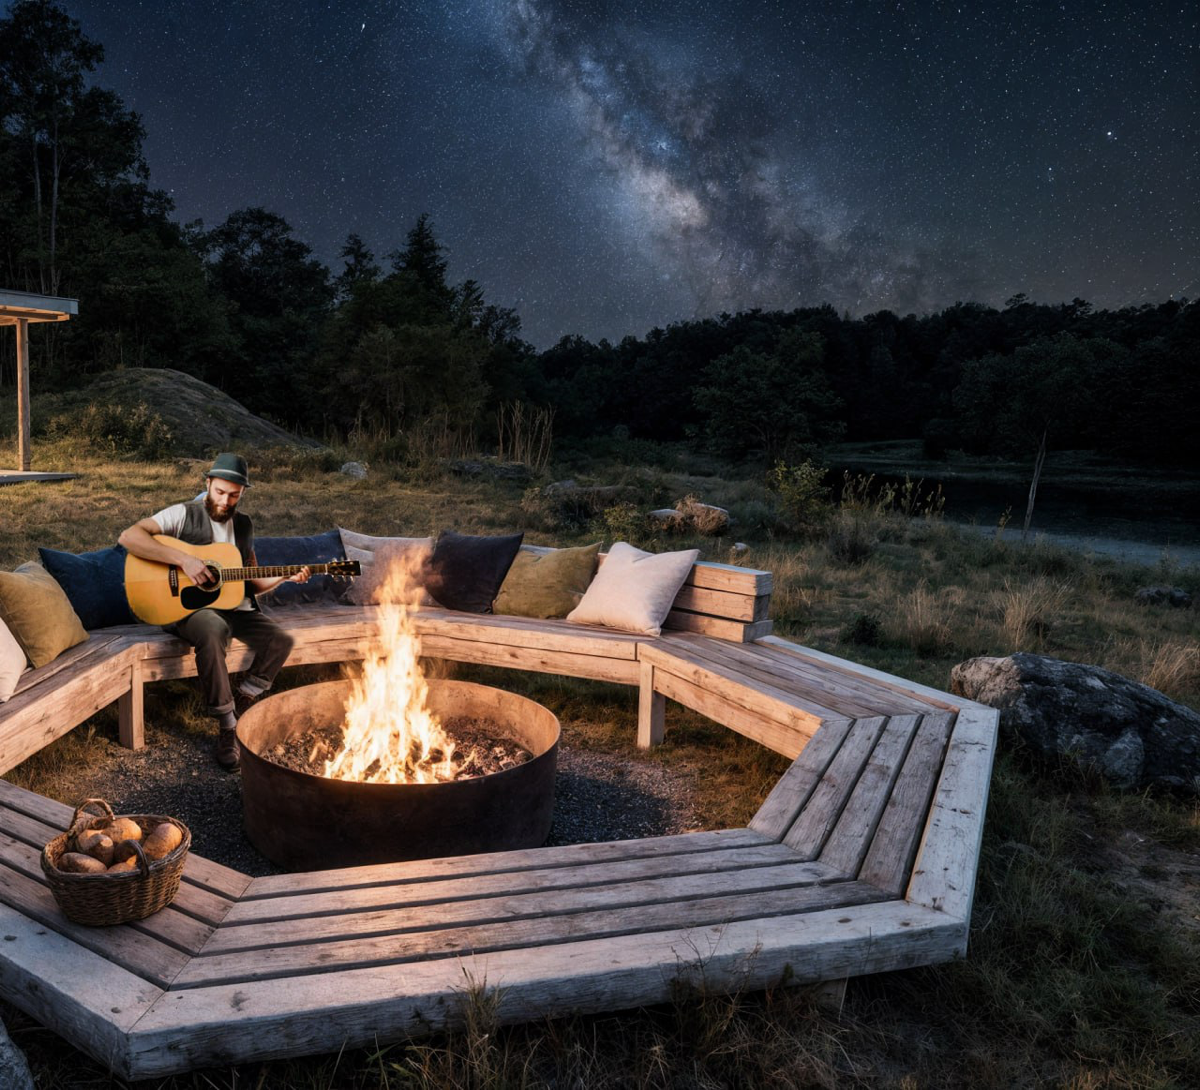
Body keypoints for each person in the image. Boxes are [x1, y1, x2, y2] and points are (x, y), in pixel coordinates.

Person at [118, 453, 310, 771]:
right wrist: (185, 560)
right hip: (189, 609)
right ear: (208, 484)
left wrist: (285, 576)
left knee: (281, 640)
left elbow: (250, 582)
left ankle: (246, 700)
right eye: (220, 492)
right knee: (211, 627)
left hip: (234, 609)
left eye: (234, 494)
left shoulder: (243, 525)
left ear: (243, 492)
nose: (225, 500)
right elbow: (129, 536)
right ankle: (227, 726)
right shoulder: (183, 514)